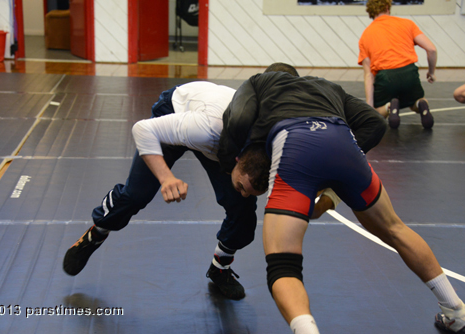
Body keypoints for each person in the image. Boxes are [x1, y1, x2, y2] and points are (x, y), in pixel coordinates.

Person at [218, 67, 465, 333]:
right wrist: (335, 171)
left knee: (282, 264)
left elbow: (239, 117)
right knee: (395, 228)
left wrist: (232, 158)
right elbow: (376, 123)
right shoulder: (329, 87)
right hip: (344, 144)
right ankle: (455, 310)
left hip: (294, 147)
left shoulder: (261, 81)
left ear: (272, 74)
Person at [62, 79, 338, 300]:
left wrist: (327, 197)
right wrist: (167, 177)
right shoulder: (206, 130)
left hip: (224, 137)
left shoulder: (275, 150)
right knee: (136, 195)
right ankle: (95, 234)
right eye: (241, 185)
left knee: (242, 210)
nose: (244, 191)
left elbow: (317, 175)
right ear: (236, 163)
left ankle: (220, 269)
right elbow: (142, 130)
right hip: (179, 112)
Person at [358, 0, 437, 129]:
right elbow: (431, 49)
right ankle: (420, 104)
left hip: (385, 77)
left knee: (378, 112)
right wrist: (431, 72)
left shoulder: (365, 35)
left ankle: (389, 107)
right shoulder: (407, 24)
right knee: (416, 100)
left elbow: (368, 75)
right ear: (388, 8)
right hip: (409, 72)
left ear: (370, 13)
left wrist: (370, 107)